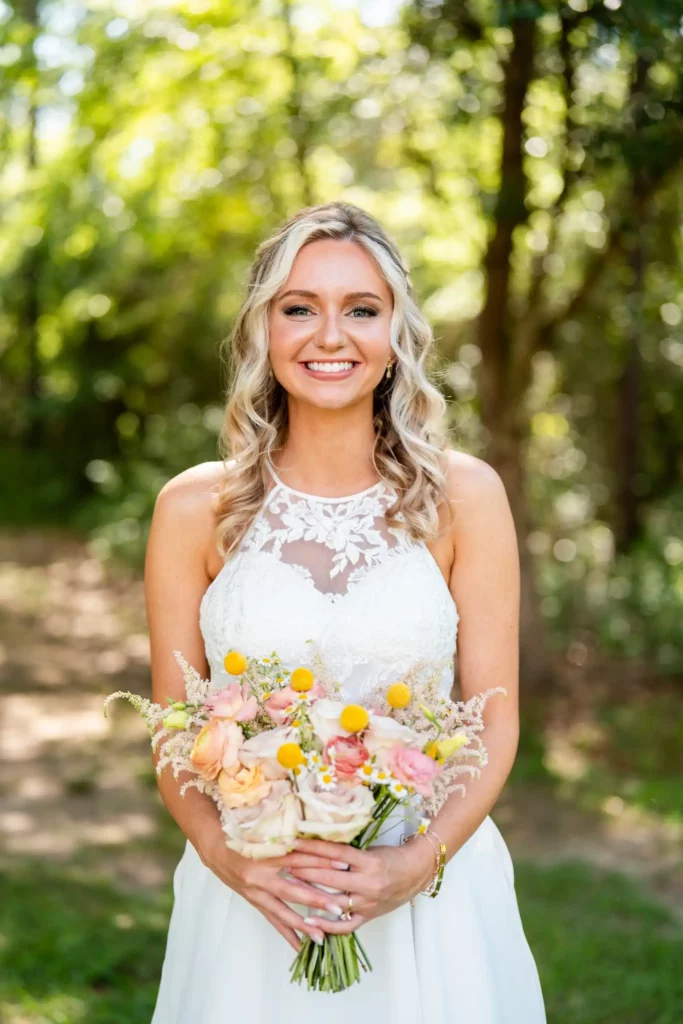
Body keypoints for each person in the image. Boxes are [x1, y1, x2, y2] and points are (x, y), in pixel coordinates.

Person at [144, 201, 546, 1022]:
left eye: (360, 310)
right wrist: (231, 860)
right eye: (300, 308)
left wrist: (414, 864)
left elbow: (495, 723)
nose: (330, 336)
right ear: (264, 330)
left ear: (395, 332)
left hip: (430, 899)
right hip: (253, 904)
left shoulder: (464, 497)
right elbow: (172, 731)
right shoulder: (195, 508)